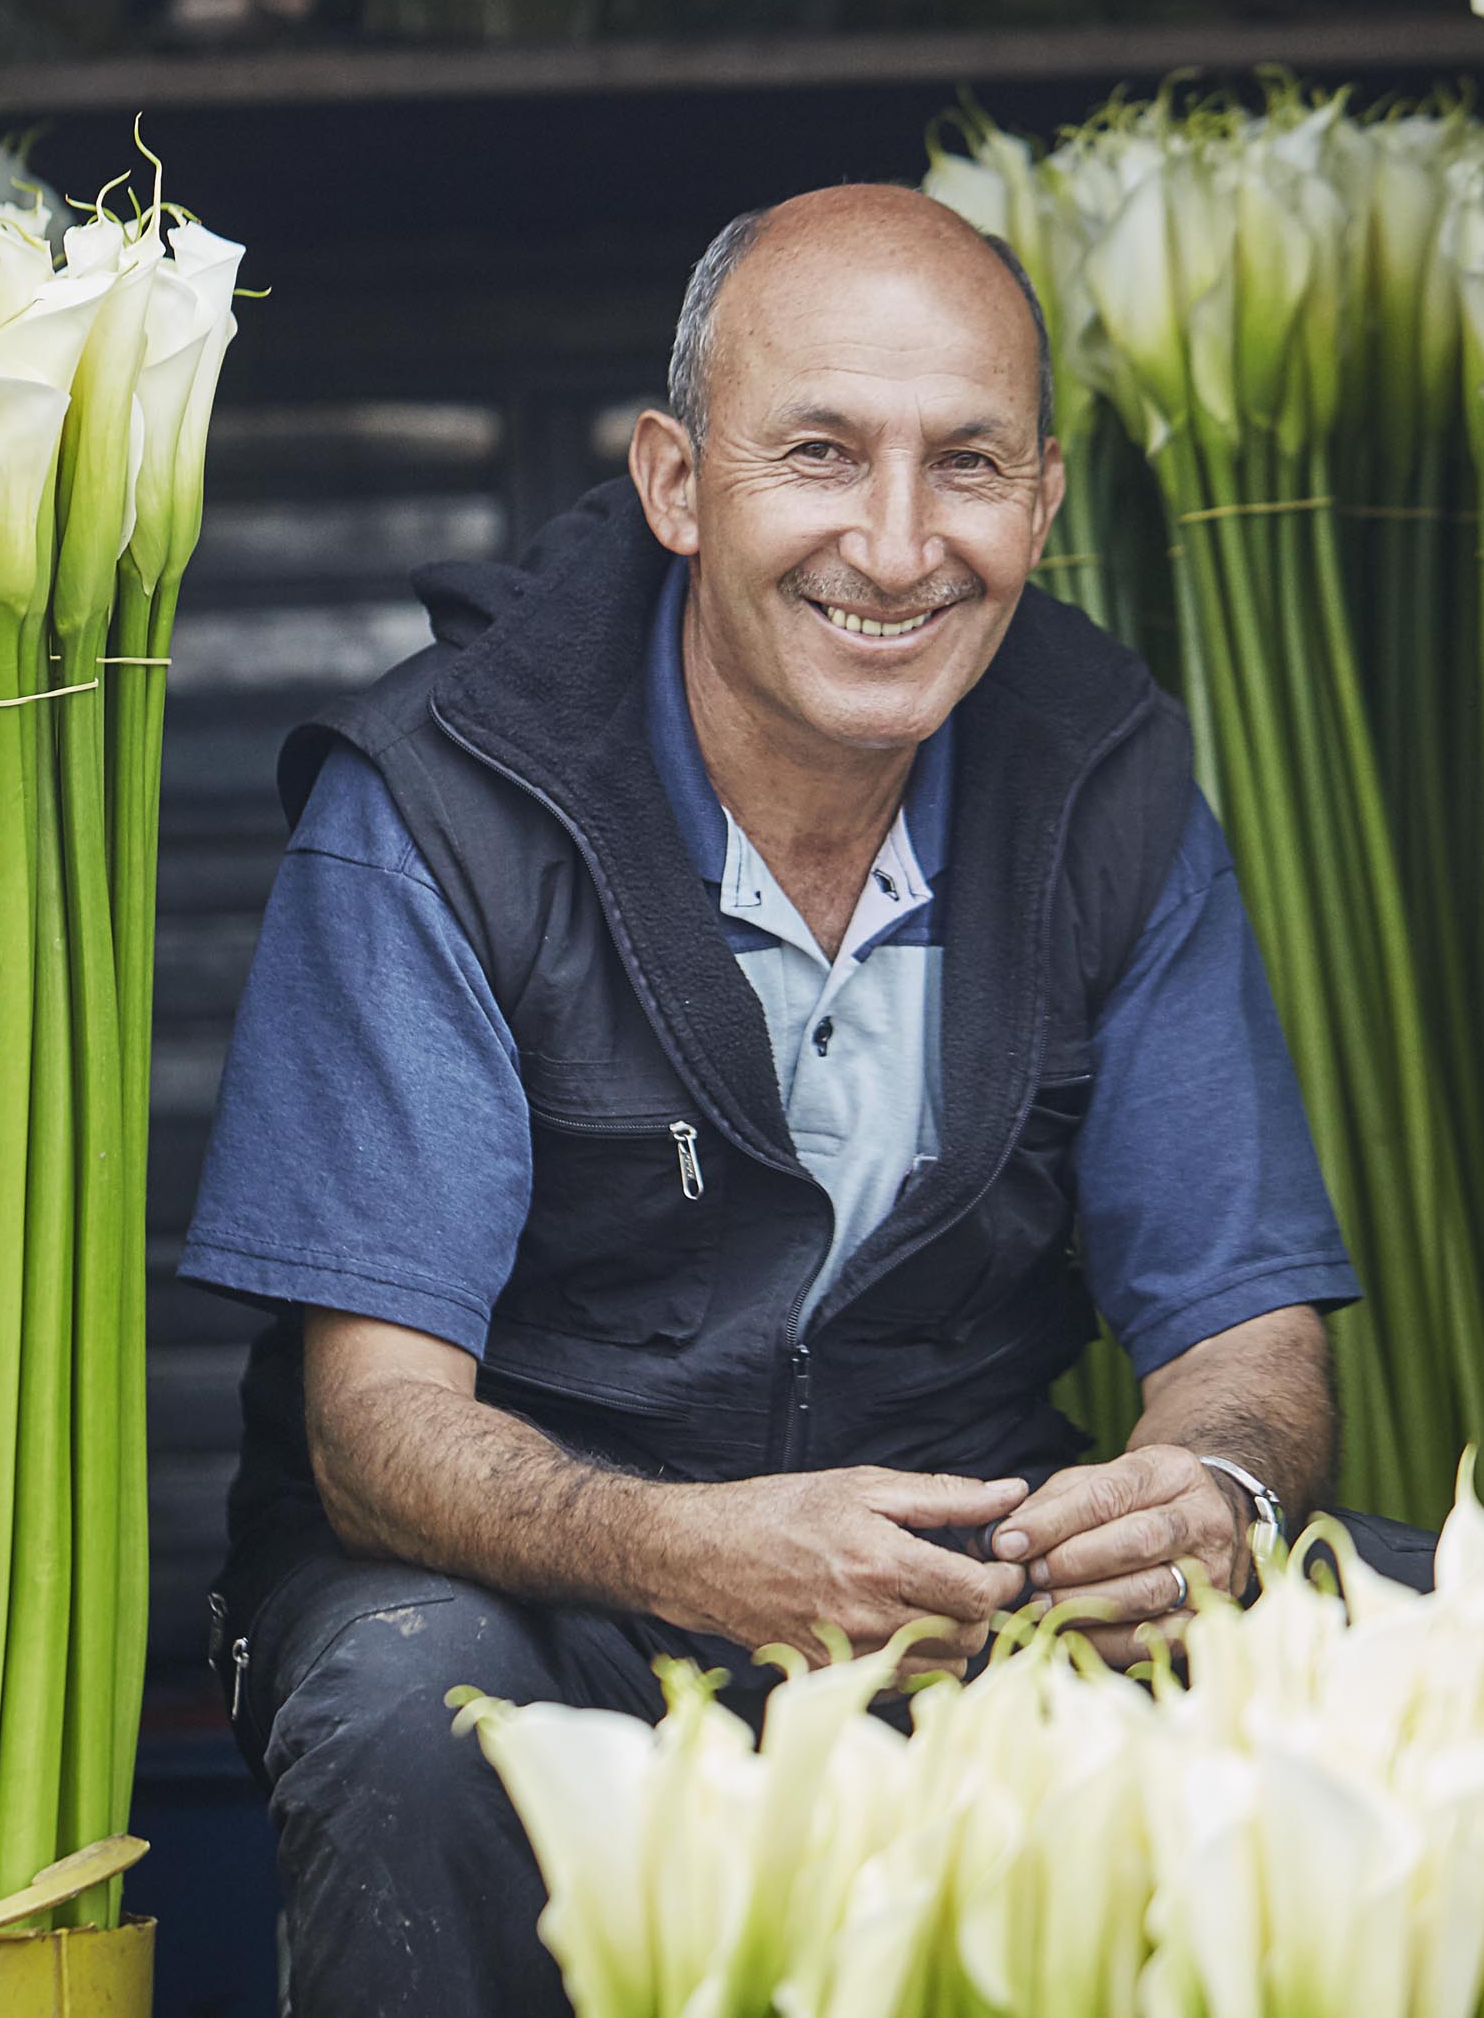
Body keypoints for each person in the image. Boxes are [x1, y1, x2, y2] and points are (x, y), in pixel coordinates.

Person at [181, 183, 1360, 2012]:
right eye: (819, 454)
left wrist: (1205, 1488)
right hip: (537, 1578)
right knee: (412, 1705)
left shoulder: (1104, 777)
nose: (896, 547)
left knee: (1397, 1640)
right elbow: (375, 1433)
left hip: (958, 1584)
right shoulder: (446, 800)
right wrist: (691, 1549)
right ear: (675, 483)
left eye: (966, 465)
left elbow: (1248, 1331)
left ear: (1042, 505)